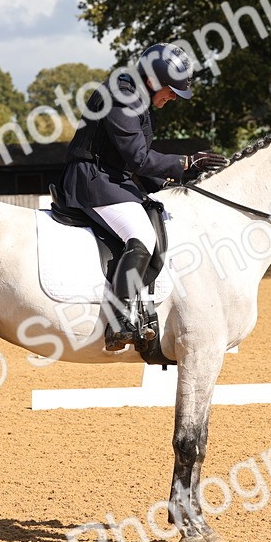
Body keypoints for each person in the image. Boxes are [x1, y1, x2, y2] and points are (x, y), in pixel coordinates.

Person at [58, 43, 227, 350]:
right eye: (171, 91)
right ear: (152, 81)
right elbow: (137, 157)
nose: (173, 97)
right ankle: (119, 320)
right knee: (141, 235)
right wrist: (185, 163)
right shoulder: (122, 96)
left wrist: (180, 181)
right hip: (91, 180)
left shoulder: (140, 98)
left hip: (113, 177)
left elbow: (138, 162)